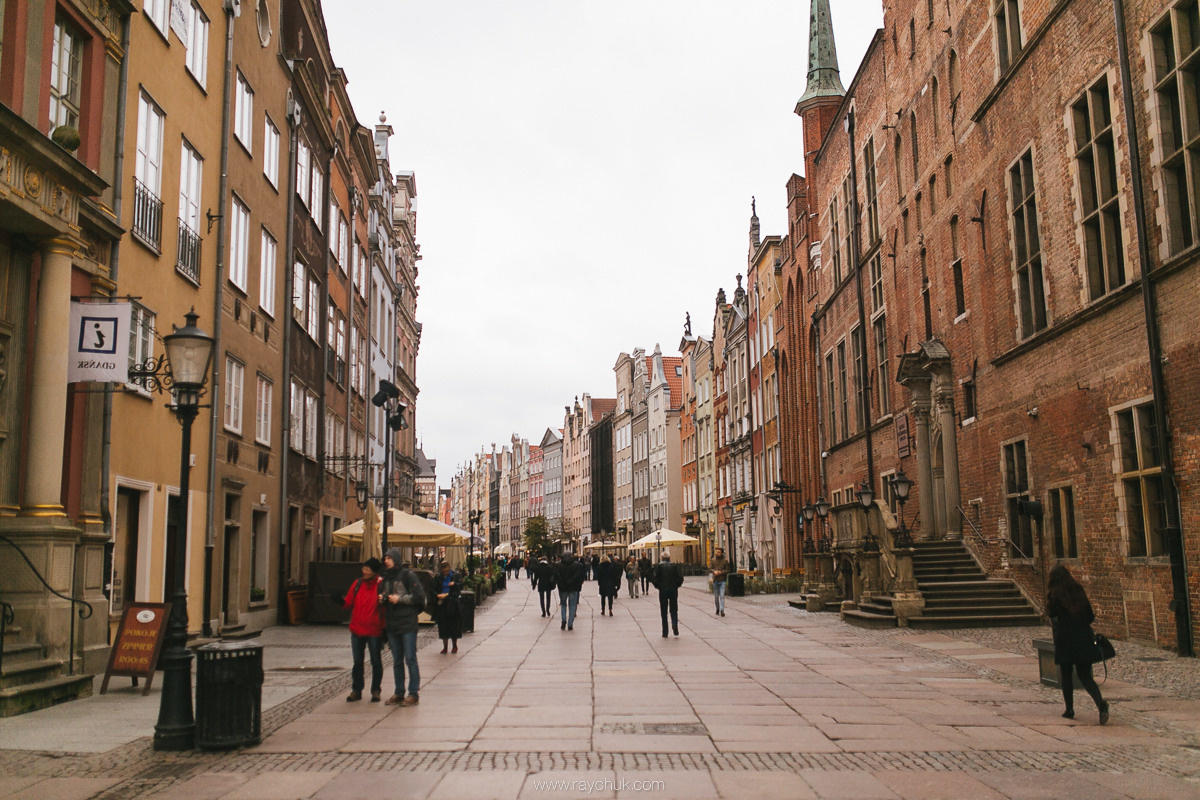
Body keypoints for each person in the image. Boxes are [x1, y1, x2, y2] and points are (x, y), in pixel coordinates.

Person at [1046, 564, 1109, 725]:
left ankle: (1069, 709)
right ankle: (1101, 704)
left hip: (1065, 638)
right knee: (1085, 676)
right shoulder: (1078, 590)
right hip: (1083, 637)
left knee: (1066, 675)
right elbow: (1090, 616)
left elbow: (1052, 614)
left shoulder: (1054, 595)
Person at [379, 548, 426, 706]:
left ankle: (413, 694)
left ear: (396, 559)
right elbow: (384, 596)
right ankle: (399, 692)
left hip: (407, 623)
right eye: (385, 558)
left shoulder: (408, 575)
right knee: (397, 660)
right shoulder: (385, 578)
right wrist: (383, 598)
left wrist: (399, 599)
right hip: (392, 623)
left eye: (389, 558)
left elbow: (419, 597)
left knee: (410, 659)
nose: (386, 561)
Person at [341, 557, 385, 702]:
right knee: (357, 662)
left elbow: (385, 607)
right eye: (363, 568)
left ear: (374, 571)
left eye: (367, 569)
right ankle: (356, 690)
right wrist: (340, 601)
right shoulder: (357, 583)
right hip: (357, 628)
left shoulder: (381, 584)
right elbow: (349, 602)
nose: (364, 571)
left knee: (376, 661)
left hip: (374, 629)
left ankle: (375, 690)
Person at [652, 552, 684, 638]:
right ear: (669, 558)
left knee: (664, 610)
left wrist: (658, 587)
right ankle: (674, 623)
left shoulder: (659, 566)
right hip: (673, 589)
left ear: (662, 558)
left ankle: (665, 631)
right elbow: (680, 577)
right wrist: (676, 585)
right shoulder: (674, 566)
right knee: (674, 608)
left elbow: (654, 578)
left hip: (663, 590)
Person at [434, 561, 463, 654]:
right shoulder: (438, 577)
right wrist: (438, 595)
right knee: (443, 626)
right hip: (442, 602)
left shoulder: (455, 576)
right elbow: (433, 588)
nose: (446, 572)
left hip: (452, 602)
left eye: (447, 570)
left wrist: (454, 584)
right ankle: (445, 646)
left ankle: (454, 645)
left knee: (453, 625)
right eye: (444, 571)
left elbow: (460, 585)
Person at [554, 552, 586, 631]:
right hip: (573, 588)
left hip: (562, 588)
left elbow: (557, 575)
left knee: (563, 604)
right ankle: (570, 623)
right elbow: (578, 576)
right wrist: (572, 581)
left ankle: (563, 620)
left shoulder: (558, 565)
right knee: (572, 605)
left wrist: (562, 583)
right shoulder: (576, 565)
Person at [710, 547, 730, 617]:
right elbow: (710, 569)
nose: (717, 553)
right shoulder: (713, 560)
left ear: (721, 553)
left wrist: (721, 572)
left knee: (722, 596)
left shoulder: (725, 561)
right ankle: (717, 608)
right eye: (716, 552)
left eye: (718, 552)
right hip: (715, 580)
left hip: (722, 580)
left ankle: (722, 610)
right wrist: (714, 571)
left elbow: (728, 570)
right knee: (716, 596)